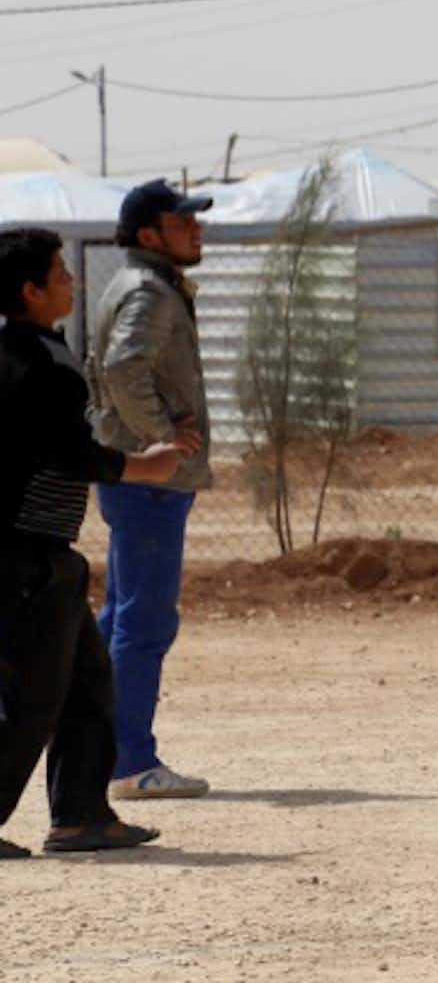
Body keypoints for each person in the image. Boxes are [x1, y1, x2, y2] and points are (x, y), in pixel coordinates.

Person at [1, 227, 198, 854]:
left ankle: (81, 815)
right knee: (29, 700)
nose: (72, 281)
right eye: (60, 274)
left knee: (87, 682)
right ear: (30, 291)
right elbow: (68, 453)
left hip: (42, 559)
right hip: (27, 558)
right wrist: (147, 463)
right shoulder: (39, 366)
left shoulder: (21, 352)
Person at [86, 178, 216, 801]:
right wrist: (162, 442)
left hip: (133, 476)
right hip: (148, 482)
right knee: (143, 621)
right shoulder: (148, 292)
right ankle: (131, 763)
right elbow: (120, 367)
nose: (195, 229)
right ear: (148, 235)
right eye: (182, 221)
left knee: (122, 616)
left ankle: (108, 754)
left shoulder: (139, 284)